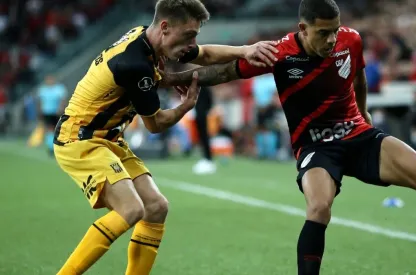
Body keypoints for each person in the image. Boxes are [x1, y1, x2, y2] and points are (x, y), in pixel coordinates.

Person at [161, 0, 416, 274]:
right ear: (303, 29)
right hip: (315, 145)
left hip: (357, 134)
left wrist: (363, 114)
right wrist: (171, 79)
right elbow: (224, 69)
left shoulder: (351, 39)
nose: (332, 39)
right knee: (319, 208)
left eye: (334, 30)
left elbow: (358, 77)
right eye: (323, 33)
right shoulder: (281, 53)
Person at [52, 0, 278, 274]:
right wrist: (185, 107)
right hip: (80, 139)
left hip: (109, 139)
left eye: (194, 35)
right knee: (131, 209)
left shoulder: (149, 39)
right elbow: (156, 125)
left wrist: (246, 50)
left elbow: (204, 54)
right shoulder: (135, 64)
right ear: (165, 27)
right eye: (188, 36)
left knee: (156, 207)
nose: (192, 43)